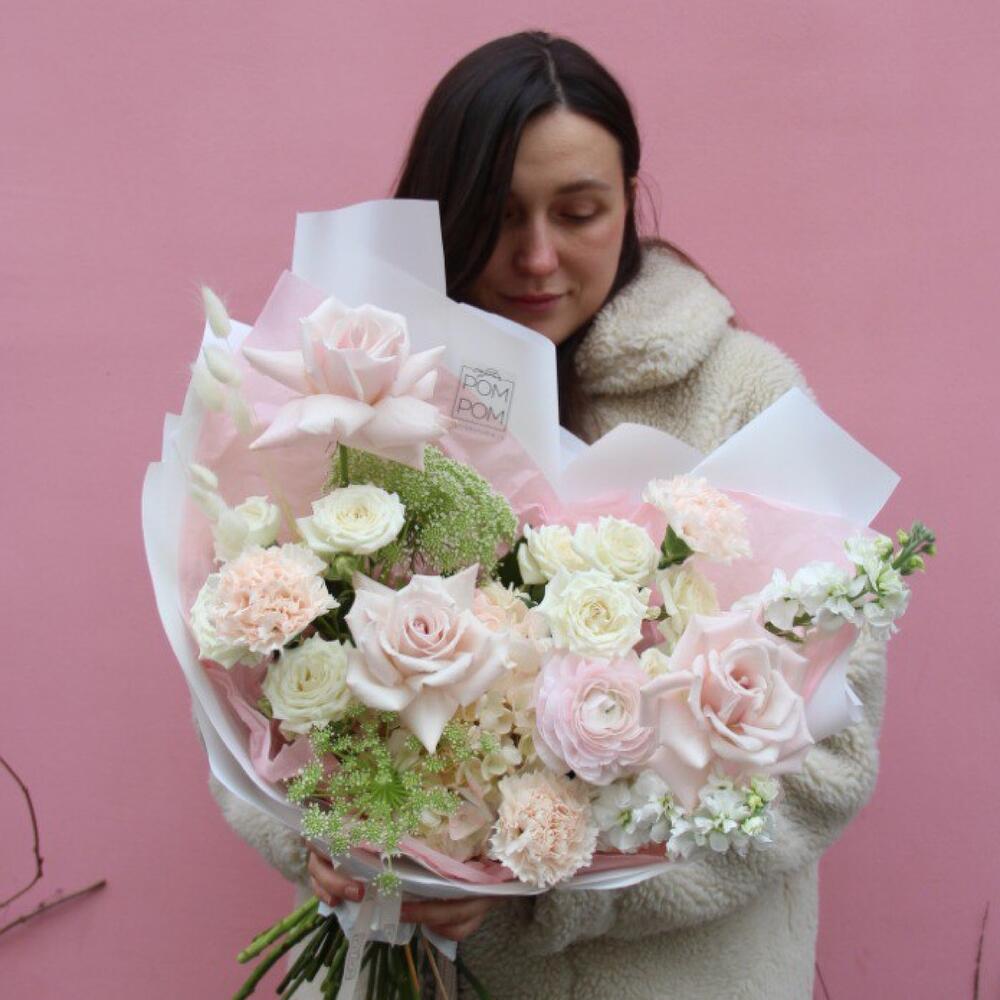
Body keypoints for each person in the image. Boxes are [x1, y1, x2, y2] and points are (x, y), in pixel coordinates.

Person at [210, 31, 886, 999]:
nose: (536, 257)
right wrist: (326, 836)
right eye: (497, 214)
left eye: (578, 213)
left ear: (629, 201)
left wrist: (548, 885)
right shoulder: (354, 391)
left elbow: (827, 762)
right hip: (408, 963)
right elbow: (248, 678)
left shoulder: (741, 401)